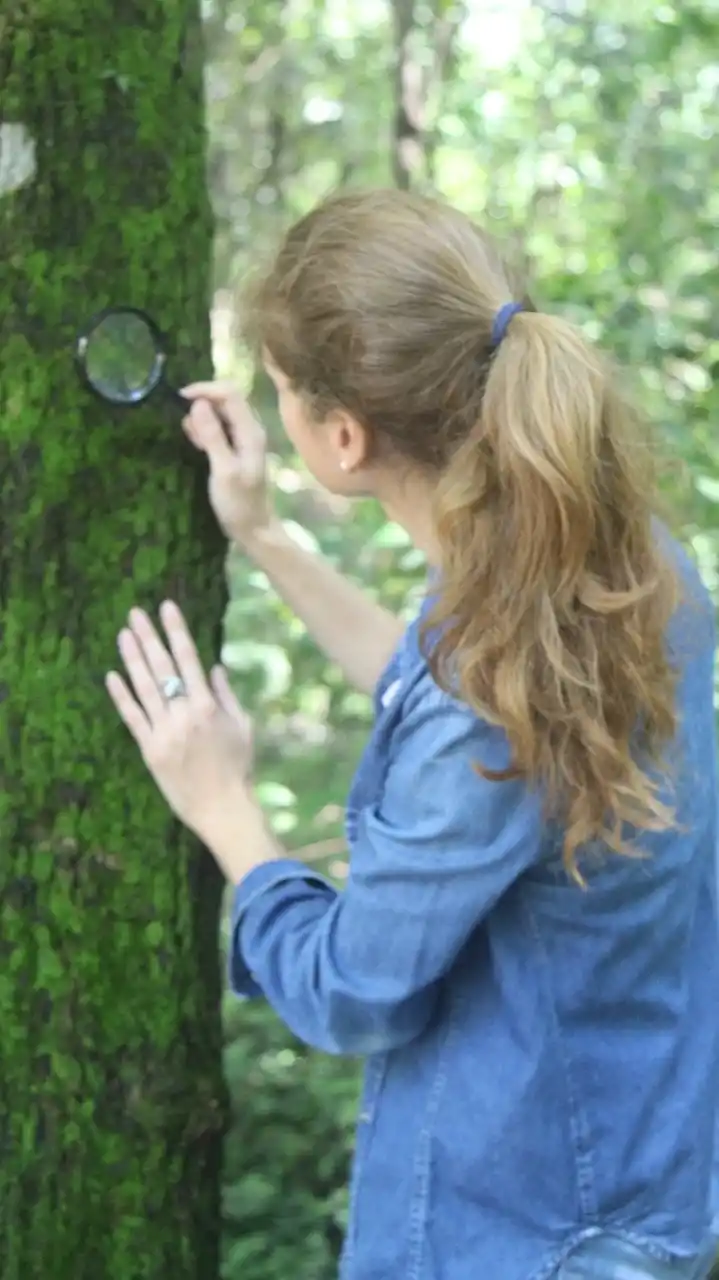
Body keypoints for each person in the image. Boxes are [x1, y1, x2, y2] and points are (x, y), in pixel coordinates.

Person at [106, 188, 719, 1280]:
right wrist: (265, 536)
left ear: (341, 436)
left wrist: (225, 811)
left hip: (517, 1239)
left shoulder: (495, 663)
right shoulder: (632, 566)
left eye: (284, 391)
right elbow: (477, 707)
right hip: (636, 1184)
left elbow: (354, 988)